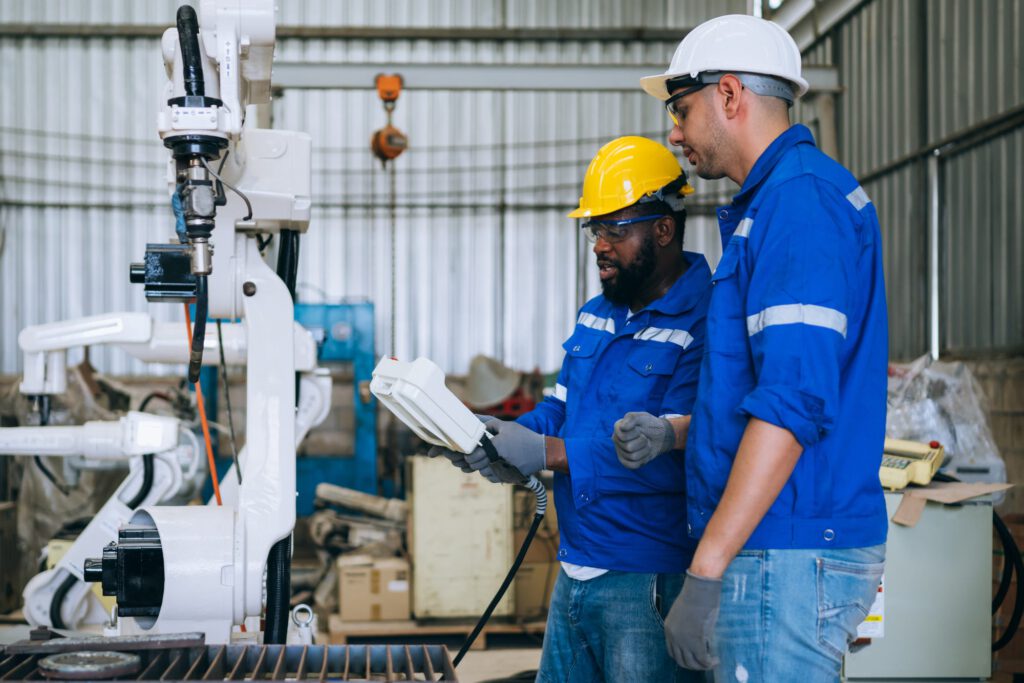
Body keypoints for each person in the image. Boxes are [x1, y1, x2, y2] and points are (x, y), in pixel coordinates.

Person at [631, 14, 888, 681]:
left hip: (788, 550)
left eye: (682, 110)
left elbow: (793, 403)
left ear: (730, 96)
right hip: (779, 548)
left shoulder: (799, 205)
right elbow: (753, 397)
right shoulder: (774, 205)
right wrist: (676, 431)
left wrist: (707, 567)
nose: (675, 131)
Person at [432, 136, 711, 683]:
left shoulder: (703, 321)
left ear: (663, 228)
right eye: (594, 229)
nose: (600, 245)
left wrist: (547, 452)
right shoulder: (596, 315)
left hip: (646, 578)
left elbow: (677, 449)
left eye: (614, 228)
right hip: (575, 567)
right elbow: (559, 409)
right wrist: (498, 438)